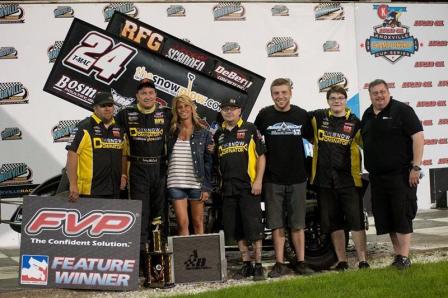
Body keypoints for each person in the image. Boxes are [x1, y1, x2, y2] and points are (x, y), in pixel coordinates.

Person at [361, 79, 424, 269]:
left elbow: (418, 138)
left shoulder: (403, 111)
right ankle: (398, 256)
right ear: (370, 95)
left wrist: (415, 167)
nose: (379, 96)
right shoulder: (367, 114)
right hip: (377, 177)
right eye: (375, 93)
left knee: (402, 215)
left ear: (388, 92)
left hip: (401, 174)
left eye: (382, 92)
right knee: (387, 217)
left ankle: (405, 257)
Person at [254, 78, 314, 277]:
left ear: (290, 93)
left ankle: (301, 262)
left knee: (298, 224)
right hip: (272, 179)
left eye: (283, 92)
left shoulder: (302, 115)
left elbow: (315, 142)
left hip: (298, 177)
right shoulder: (263, 116)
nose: (280, 96)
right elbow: (255, 145)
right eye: (276, 93)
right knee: (276, 223)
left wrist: (309, 169)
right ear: (272, 95)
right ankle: (279, 263)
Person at [308, 86, 369, 271]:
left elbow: (371, 145)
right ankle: (342, 261)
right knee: (334, 223)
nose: (337, 101)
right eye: (333, 98)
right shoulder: (317, 118)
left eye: (340, 98)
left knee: (356, 222)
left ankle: (362, 261)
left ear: (345, 100)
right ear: (328, 100)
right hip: (324, 181)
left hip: (349, 181)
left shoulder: (356, 122)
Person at [115, 79, 171, 276]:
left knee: (159, 216)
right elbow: (114, 141)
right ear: (137, 96)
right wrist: (122, 172)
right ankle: (140, 261)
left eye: (151, 92)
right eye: (143, 93)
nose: (148, 96)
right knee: (141, 214)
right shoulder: (125, 114)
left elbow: (188, 126)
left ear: (156, 96)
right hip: (137, 168)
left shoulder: (166, 113)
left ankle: (159, 260)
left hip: (160, 168)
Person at [214, 97, 266, 281]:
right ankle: (247, 264)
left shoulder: (250, 129)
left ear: (239, 111)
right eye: (225, 109)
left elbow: (261, 156)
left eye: (233, 109)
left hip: (248, 186)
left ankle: (259, 265)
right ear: (221, 112)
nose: (229, 112)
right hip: (228, 188)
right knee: (236, 228)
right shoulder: (218, 134)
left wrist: (258, 180)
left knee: (254, 227)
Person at [66, 92, 126, 201]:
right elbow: (72, 155)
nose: (107, 108)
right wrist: (73, 184)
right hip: (90, 191)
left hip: (114, 189)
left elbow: (123, 154)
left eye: (110, 105)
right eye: (103, 106)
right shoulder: (84, 127)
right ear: (95, 108)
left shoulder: (119, 127)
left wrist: (123, 175)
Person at [167, 94, 213, 235]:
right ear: (176, 110)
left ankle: (201, 255)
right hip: (175, 183)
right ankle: (184, 256)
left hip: (196, 184)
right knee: (182, 223)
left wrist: (205, 187)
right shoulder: (170, 132)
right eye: (179, 107)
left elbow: (208, 162)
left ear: (192, 108)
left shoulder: (203, 133)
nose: (183, 109)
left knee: (198, 223)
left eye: (186, 106)